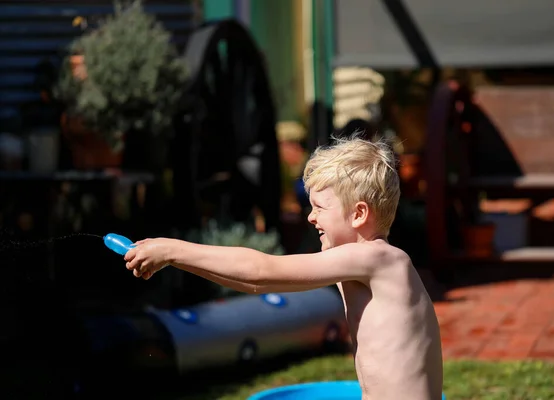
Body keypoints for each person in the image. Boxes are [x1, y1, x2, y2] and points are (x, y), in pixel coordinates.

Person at [124, 135, 443, 400]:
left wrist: (173, 248)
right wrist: (174, 260)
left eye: (319, 208)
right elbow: (254, 283)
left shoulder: (379, 259)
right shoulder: (362, 263)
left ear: (359, 214)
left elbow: (260, 272)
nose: (310, 217)